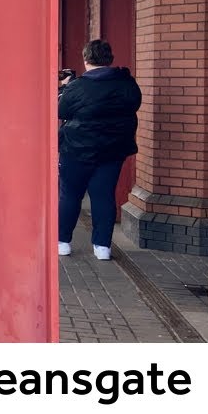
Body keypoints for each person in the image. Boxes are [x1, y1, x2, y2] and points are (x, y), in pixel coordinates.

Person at [58, 39, 142, 261]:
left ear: (86, 60)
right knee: (104, 195)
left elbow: (62, 110)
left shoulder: (77, 86)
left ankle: (63, 242)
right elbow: (134, 105)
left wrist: (65, 87)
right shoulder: (127, 84)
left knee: (70, 195)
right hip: (112, 151)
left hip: (76, 149)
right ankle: (102, 247)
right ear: (110, 59)